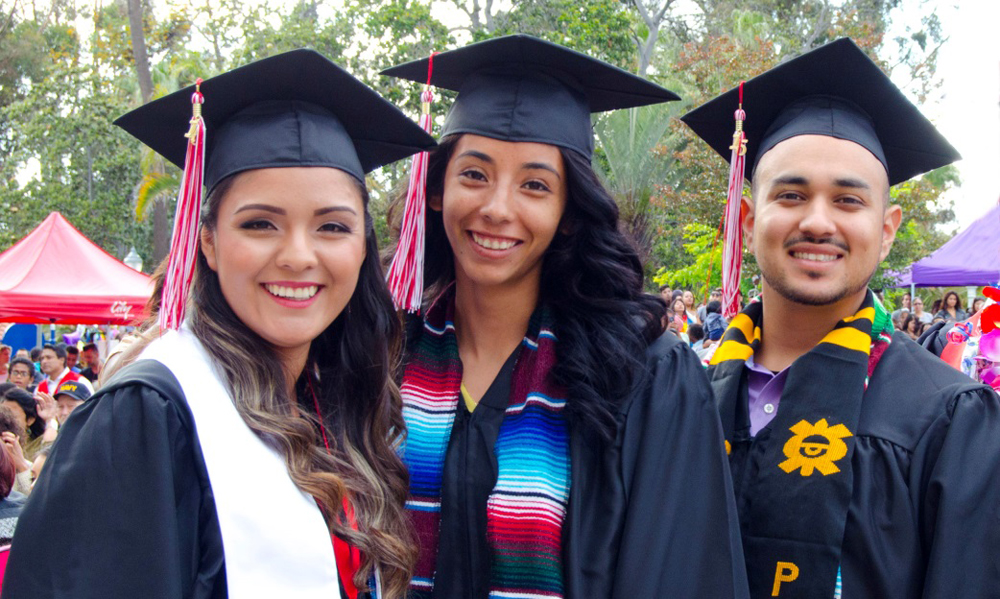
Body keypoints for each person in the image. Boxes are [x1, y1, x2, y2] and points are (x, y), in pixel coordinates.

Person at [2, 49, 435, 599]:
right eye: (260, 224)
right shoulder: (148, 415)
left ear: (363, 247)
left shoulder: (325, 404)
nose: (299, 256)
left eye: (332, 226)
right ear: (206, 240)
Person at [384, 35, 747, 599]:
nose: (497, 208)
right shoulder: (382, 353)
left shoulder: (642, 376)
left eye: (535, 185)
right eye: (474, 174)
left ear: (569, 213)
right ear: (434, 191)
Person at [683, 37, 1000, 597]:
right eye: (791, 195)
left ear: (887, 229)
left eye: (849, 201)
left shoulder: (950, 420)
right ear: (749, 218)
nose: (818, 222)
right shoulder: (687, 395)